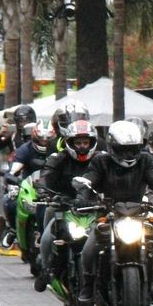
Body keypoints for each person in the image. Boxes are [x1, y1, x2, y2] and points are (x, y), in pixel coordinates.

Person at [49, 119, 153, 302]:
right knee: (88, 248)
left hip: (138, 213)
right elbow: (90, 180)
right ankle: (88, 284)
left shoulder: (145, 160)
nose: (128, 154)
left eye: (133, 148)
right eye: (123, 149)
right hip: (109, 213)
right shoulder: (100, 161)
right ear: (112, 146)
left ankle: (151, 283)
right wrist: (81, 199)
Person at [34, 117, 100, 291]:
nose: (82, 146)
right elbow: (46, 176)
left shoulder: (101, 160)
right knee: (48, 237)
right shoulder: (58, 158)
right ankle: (46, 270)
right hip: (65, 207)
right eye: (78, 142)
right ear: (69, 142)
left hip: (95, 209)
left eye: (86, 142)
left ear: (92, 142)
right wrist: (43, 189)